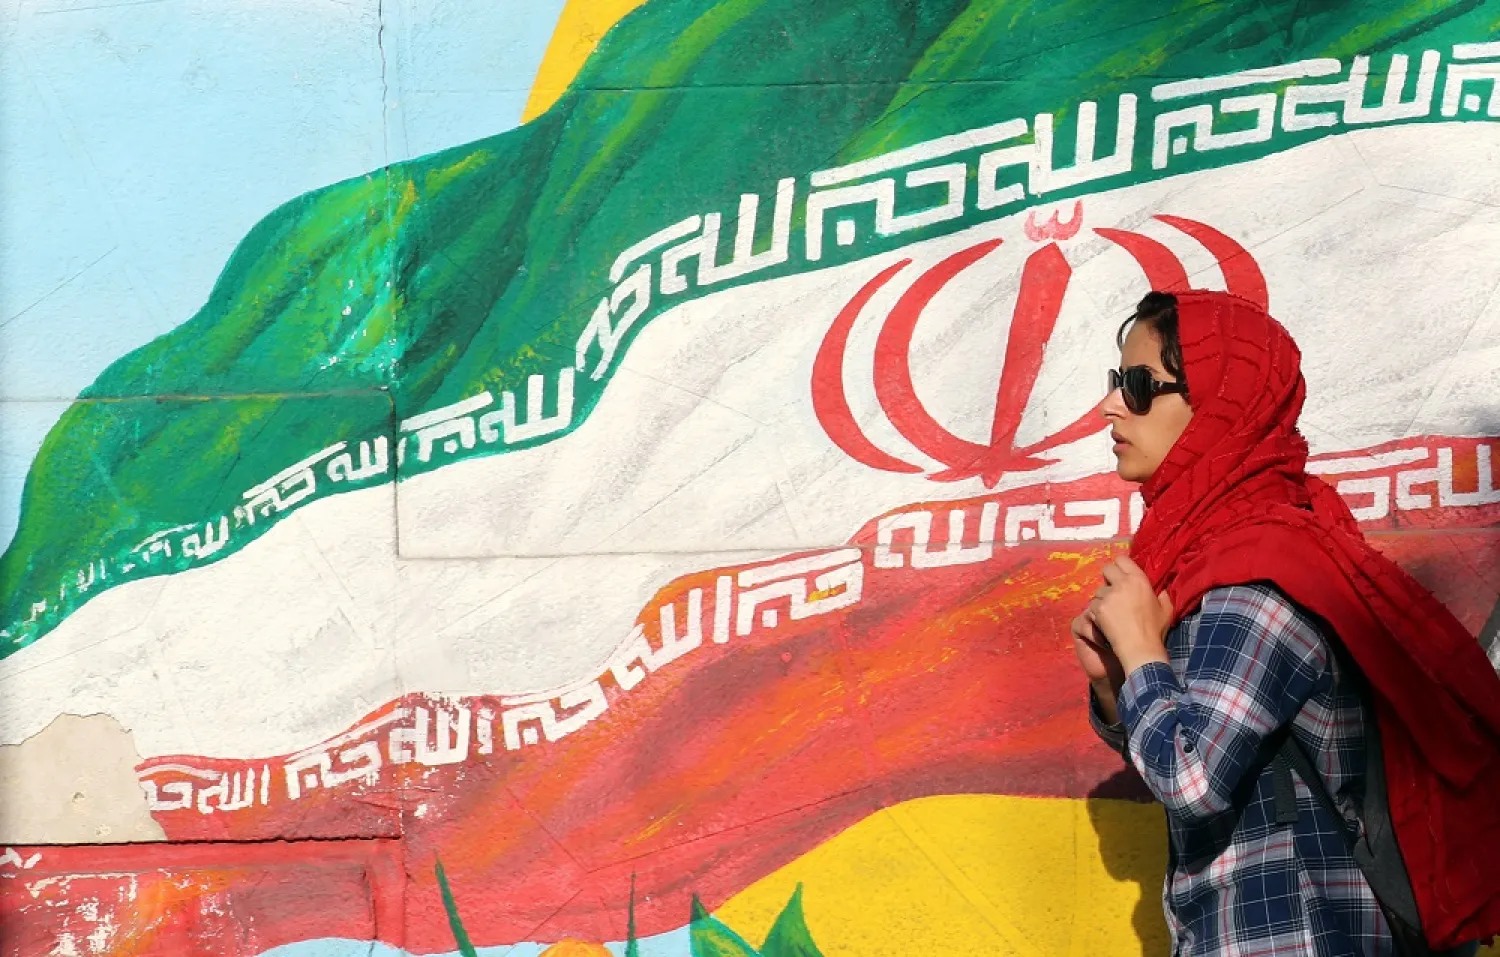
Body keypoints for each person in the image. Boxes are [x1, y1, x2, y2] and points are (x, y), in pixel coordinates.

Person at [1072, 289, 1499, 957]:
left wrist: (1141, 651)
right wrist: (1113, 685)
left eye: (1138, 385)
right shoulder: (1201, 562)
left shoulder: (1258, 574)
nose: (1110, 405)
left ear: (1219, 405)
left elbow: (1191, 779)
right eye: (1114, 381)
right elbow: (1189, 748)